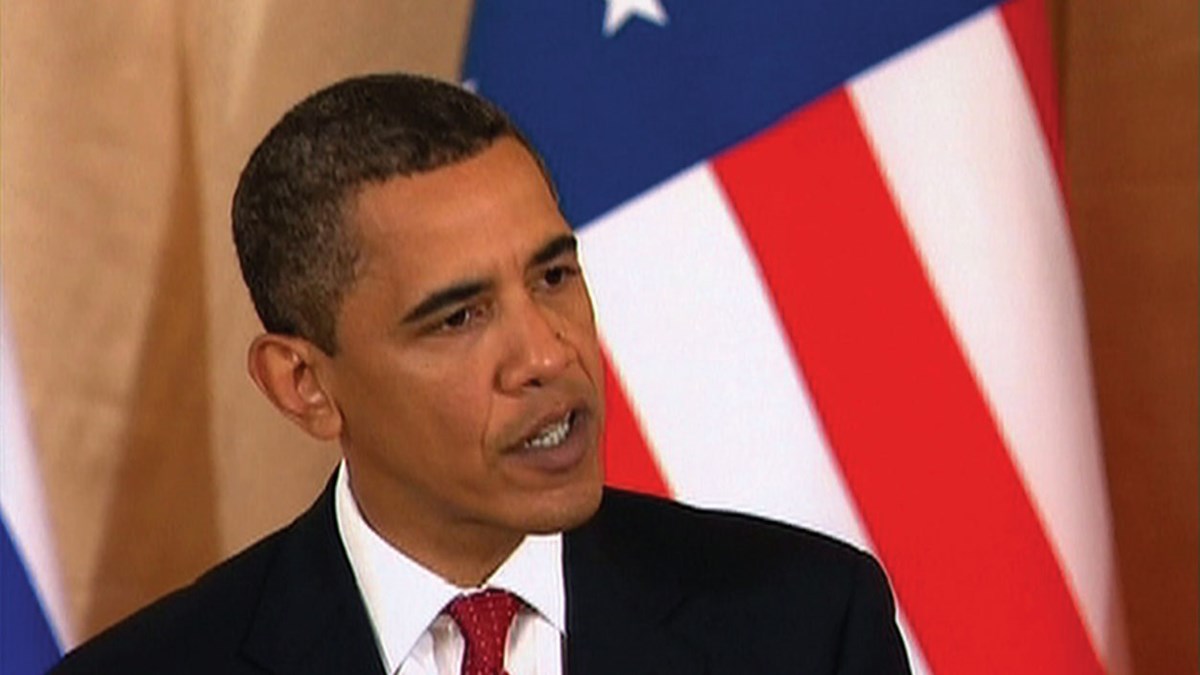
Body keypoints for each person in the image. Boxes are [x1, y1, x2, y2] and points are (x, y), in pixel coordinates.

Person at [53, 73, 911, 674]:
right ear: (303, 385)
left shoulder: (806, 624)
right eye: (458, 317)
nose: (549, 354)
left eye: (554, 275)